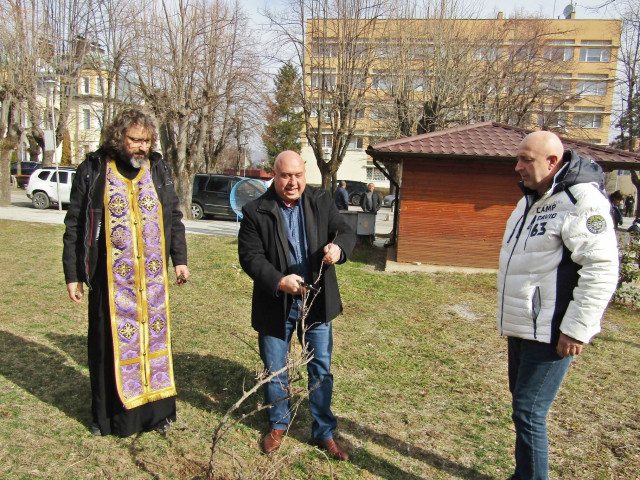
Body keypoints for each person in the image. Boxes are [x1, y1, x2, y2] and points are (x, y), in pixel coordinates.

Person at [497, 131, 619, 480]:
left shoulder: (582, 201)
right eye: (518, 159)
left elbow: (602, 268)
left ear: (552, 161)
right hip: (523, 326)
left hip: (553, 331)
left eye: (526, 160)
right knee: (522, 407)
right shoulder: (528, 201)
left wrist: (576, 329)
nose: (517, 167)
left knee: (529, 410)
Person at [62, 108, 189, 437]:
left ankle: (156, 415)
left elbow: (172, 215)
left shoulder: (157, 168)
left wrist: (180, 259)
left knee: (154, 343)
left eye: (146, 141)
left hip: (152, 284)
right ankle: (109, 419)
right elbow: (75, 223)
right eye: (135, 140)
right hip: (110, 282)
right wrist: (73, 274)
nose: (141, 147)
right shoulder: (93, 169)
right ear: (118, 138)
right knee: (108, 349)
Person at [238, 150, 355, 461]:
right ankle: (278, 424)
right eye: (285, 175)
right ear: (274, 176)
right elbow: (251, 257)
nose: (292, 182)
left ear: (305, 175)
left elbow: (345, 230)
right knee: (276, 368)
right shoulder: (256, 211)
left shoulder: (321, 200)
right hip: (276, 301)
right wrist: (279, 281)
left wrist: (338, 248)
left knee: (320, 368)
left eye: (298, 175)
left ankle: (324, 430)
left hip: (317, 300)